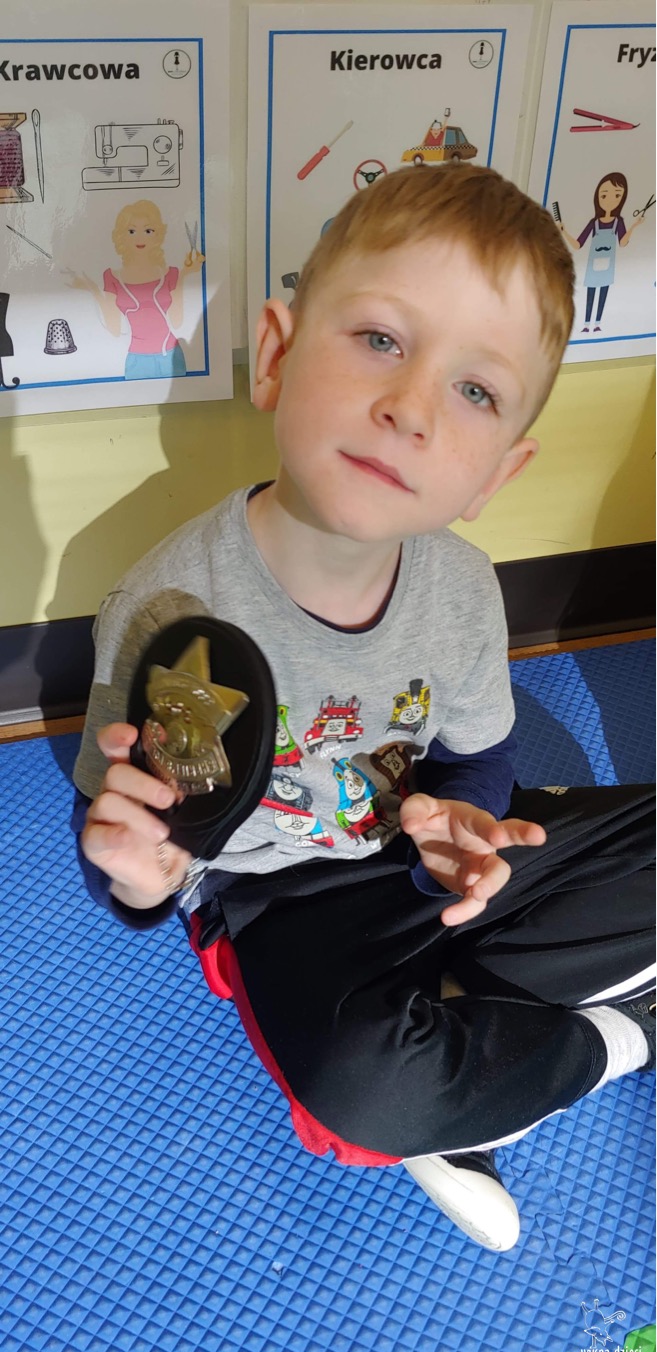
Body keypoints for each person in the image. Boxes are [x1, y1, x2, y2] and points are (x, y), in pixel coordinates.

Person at [72, 165, 655, 1253]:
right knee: (360, 1092)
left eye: (474, 392)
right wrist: (140, 878)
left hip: (414, 863)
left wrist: (460, 828)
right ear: (279, 354)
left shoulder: (463, 589)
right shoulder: (175, 608)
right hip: (279, 894)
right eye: (381, 339)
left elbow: (478, 762)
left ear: (497, 474)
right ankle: (613, 1037)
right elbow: (142, 826)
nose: (411, 408)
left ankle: (471, 1046)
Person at [64, 199, 205, 380]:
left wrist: (184, 275)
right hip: (138, 360)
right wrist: (93, 290)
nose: (140, 238)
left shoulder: (171, 274)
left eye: (148, 230)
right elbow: (115, 329)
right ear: (121, 236)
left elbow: (177, 323)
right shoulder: (112, 277)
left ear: (157, 235)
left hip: (171, 355)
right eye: (131, 231)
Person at [556, 172, 645, 333]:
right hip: (593, 266)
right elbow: (578, 244)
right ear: (598, 197)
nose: (610, 200)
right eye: (604, 195)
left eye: (617, 195)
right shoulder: (594, 223)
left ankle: (597, 323)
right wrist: (564, 231)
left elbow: (623, 242)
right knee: (591, 293)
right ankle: (586, 324)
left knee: (603, 293)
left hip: (607, 266)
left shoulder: (619, 222)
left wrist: (634, 226)